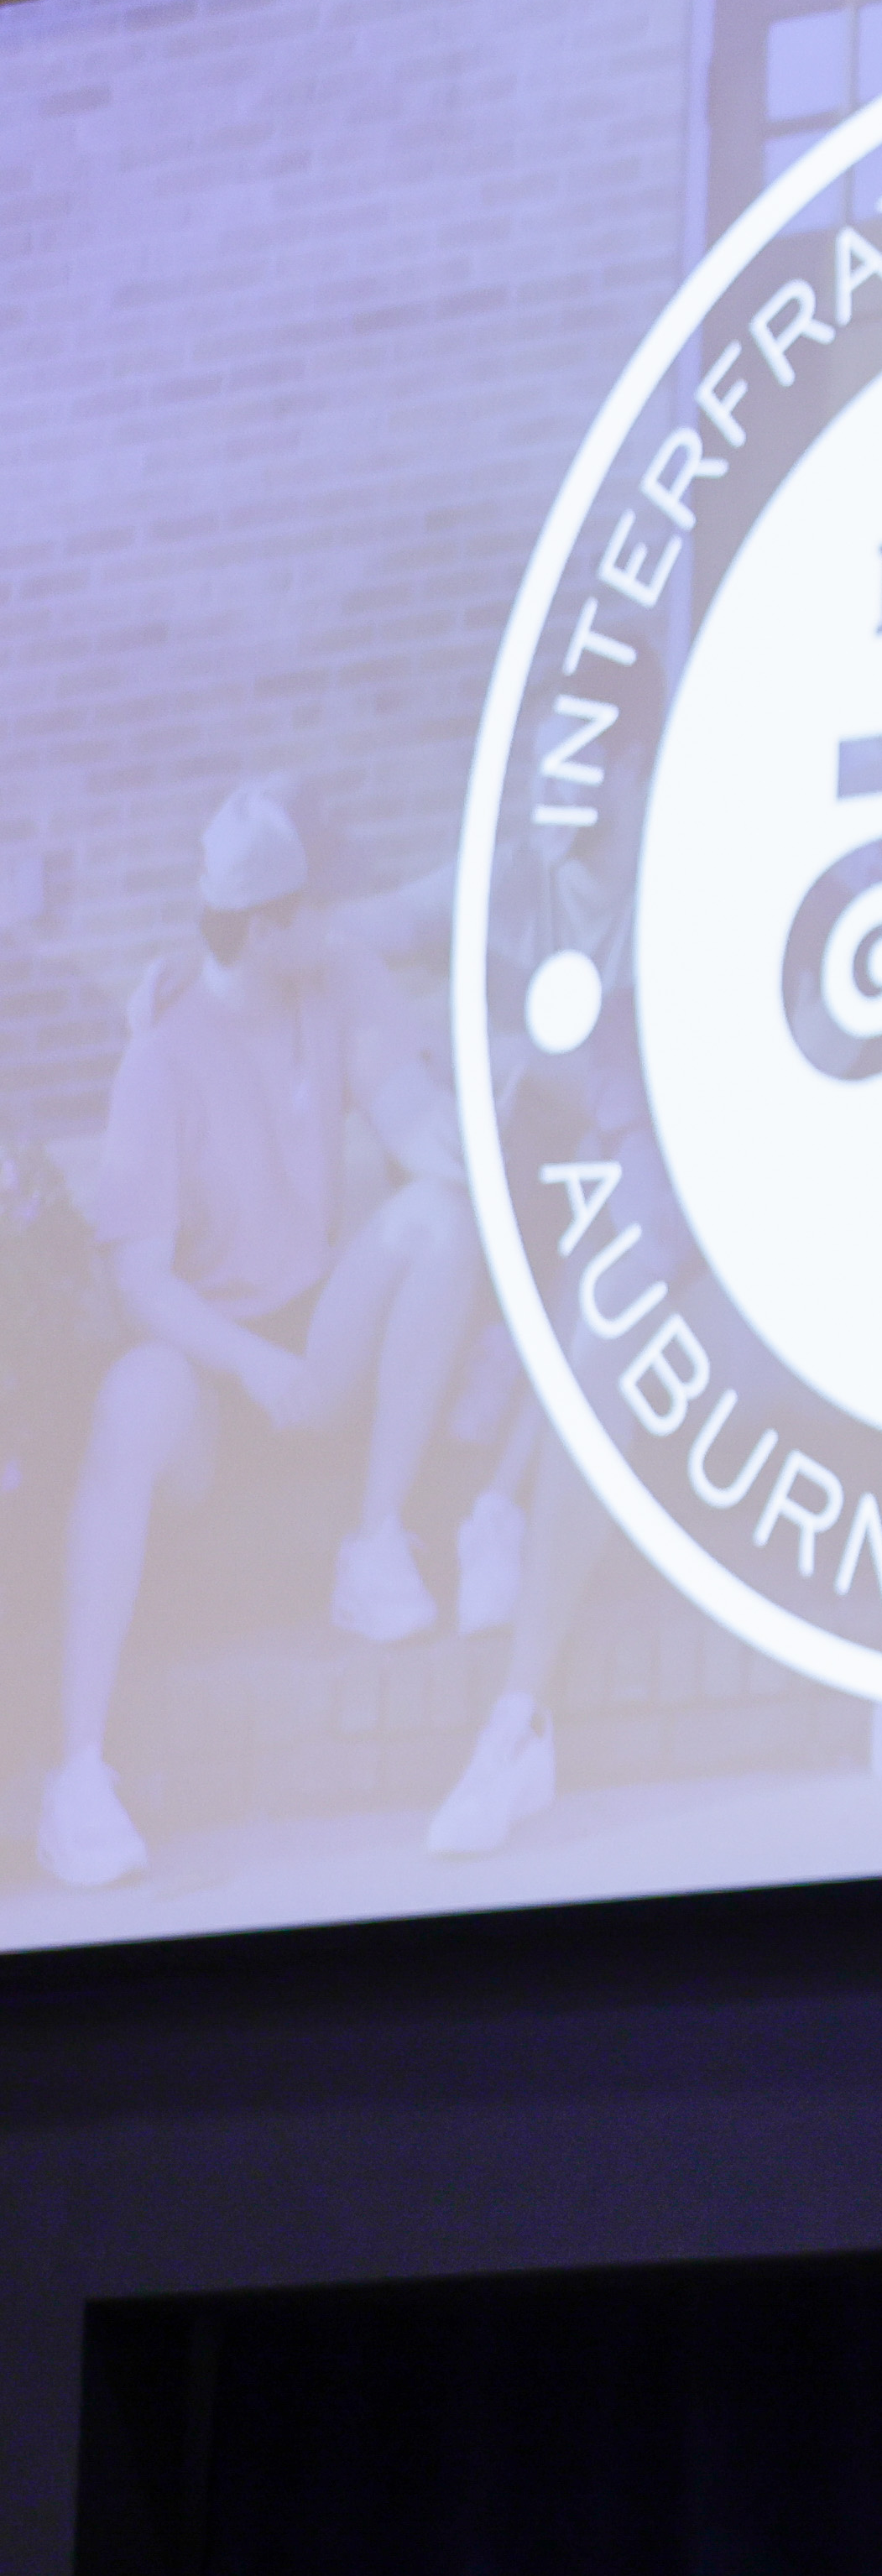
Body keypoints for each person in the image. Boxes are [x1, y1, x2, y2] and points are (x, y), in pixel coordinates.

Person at [39, 779, 485, 1887]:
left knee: (441, 1221)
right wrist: (248, 1361)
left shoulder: (332, 983)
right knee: (132, 1398)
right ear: (267, 925)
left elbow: (411, 1124)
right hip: (213, 1366)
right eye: (315, 906)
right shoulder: (162, 1056)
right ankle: (76, 1775)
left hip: (315, 1333)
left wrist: (489, 1134)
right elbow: (139, 1278)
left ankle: (372, 1548)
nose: (334, 920)